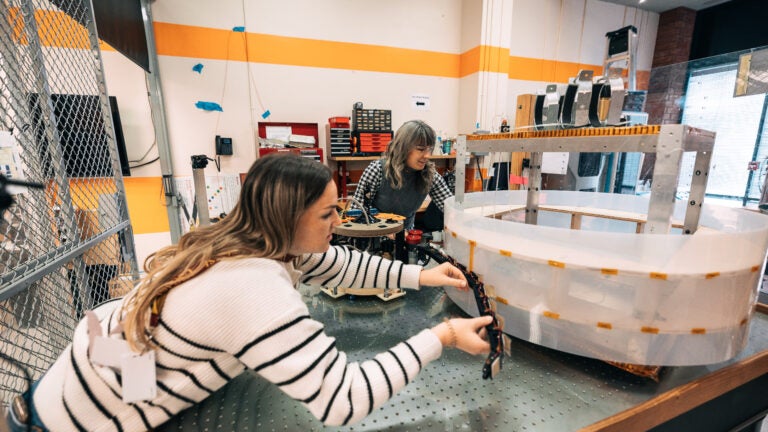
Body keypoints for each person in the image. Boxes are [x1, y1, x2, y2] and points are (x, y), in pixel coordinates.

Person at [9, 153, 492, 432]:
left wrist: (424, 277)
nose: (339, 223)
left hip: (88, 369)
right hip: (64, 420)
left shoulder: (248, 239)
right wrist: (443, 335)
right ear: (288, 217)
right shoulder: (251, 286)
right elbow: (342, 399)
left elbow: (338, 263)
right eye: (327, 215)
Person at [353, 120, 453, 230]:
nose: (427, 155)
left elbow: (452, 210)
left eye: (429, 149)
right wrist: (386, 233)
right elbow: (354, 215)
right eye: (421, 149)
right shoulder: (377, 170)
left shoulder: (430, 175)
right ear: (403, 147)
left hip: (405, 236)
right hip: (373, 237)